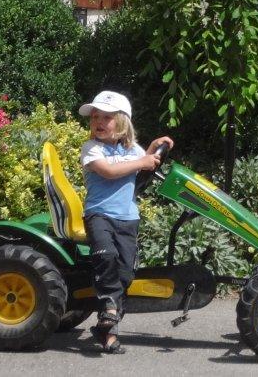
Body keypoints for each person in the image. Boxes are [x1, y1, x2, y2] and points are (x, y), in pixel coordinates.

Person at [78, 90, 173, 354]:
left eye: (106, 117)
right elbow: (109, 172)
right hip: (99, 215)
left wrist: (154, 149)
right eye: (95, 116)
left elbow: (145, 167)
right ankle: (109, 309)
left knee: (124, 274)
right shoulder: (92, 148)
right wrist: (142, 160)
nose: (98, 121)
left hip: (127, 218)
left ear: (122, 122)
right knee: (106, 256)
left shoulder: (133, 150)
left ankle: (106, 331)